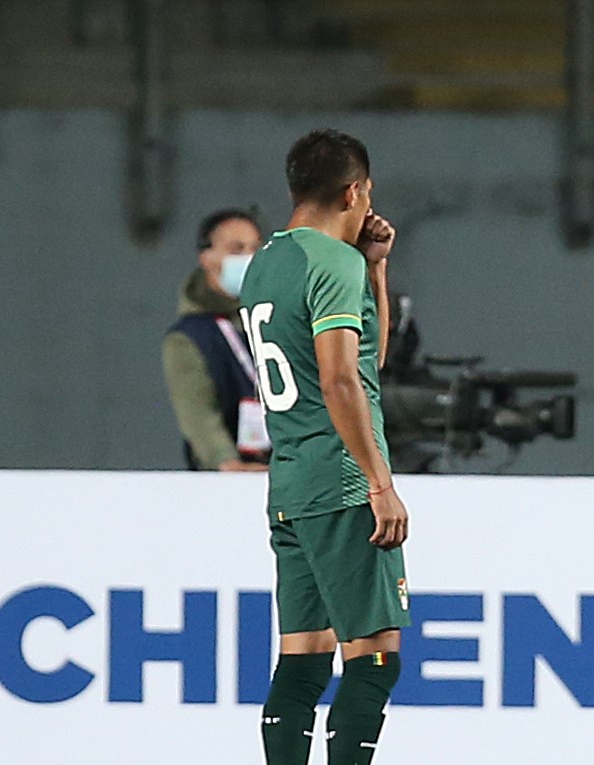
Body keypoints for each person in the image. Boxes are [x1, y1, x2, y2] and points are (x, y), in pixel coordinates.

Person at [239, 129, 410, 765]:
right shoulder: (329, 263)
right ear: (353, 190)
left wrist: (376, 267)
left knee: (303, 662)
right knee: (374, 660)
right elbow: (342, 381)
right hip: (341, 482)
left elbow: (364, 362)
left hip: (290, 484)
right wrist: (379, 482)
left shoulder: (267, 263)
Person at [163, 208, 271, 471]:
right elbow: (198, 416)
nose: (248, 258)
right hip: (227, 485)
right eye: (236, 249)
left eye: (255, 248)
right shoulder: (190, 338)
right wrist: (227, 463)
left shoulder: (274, 318)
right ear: (207, 257)